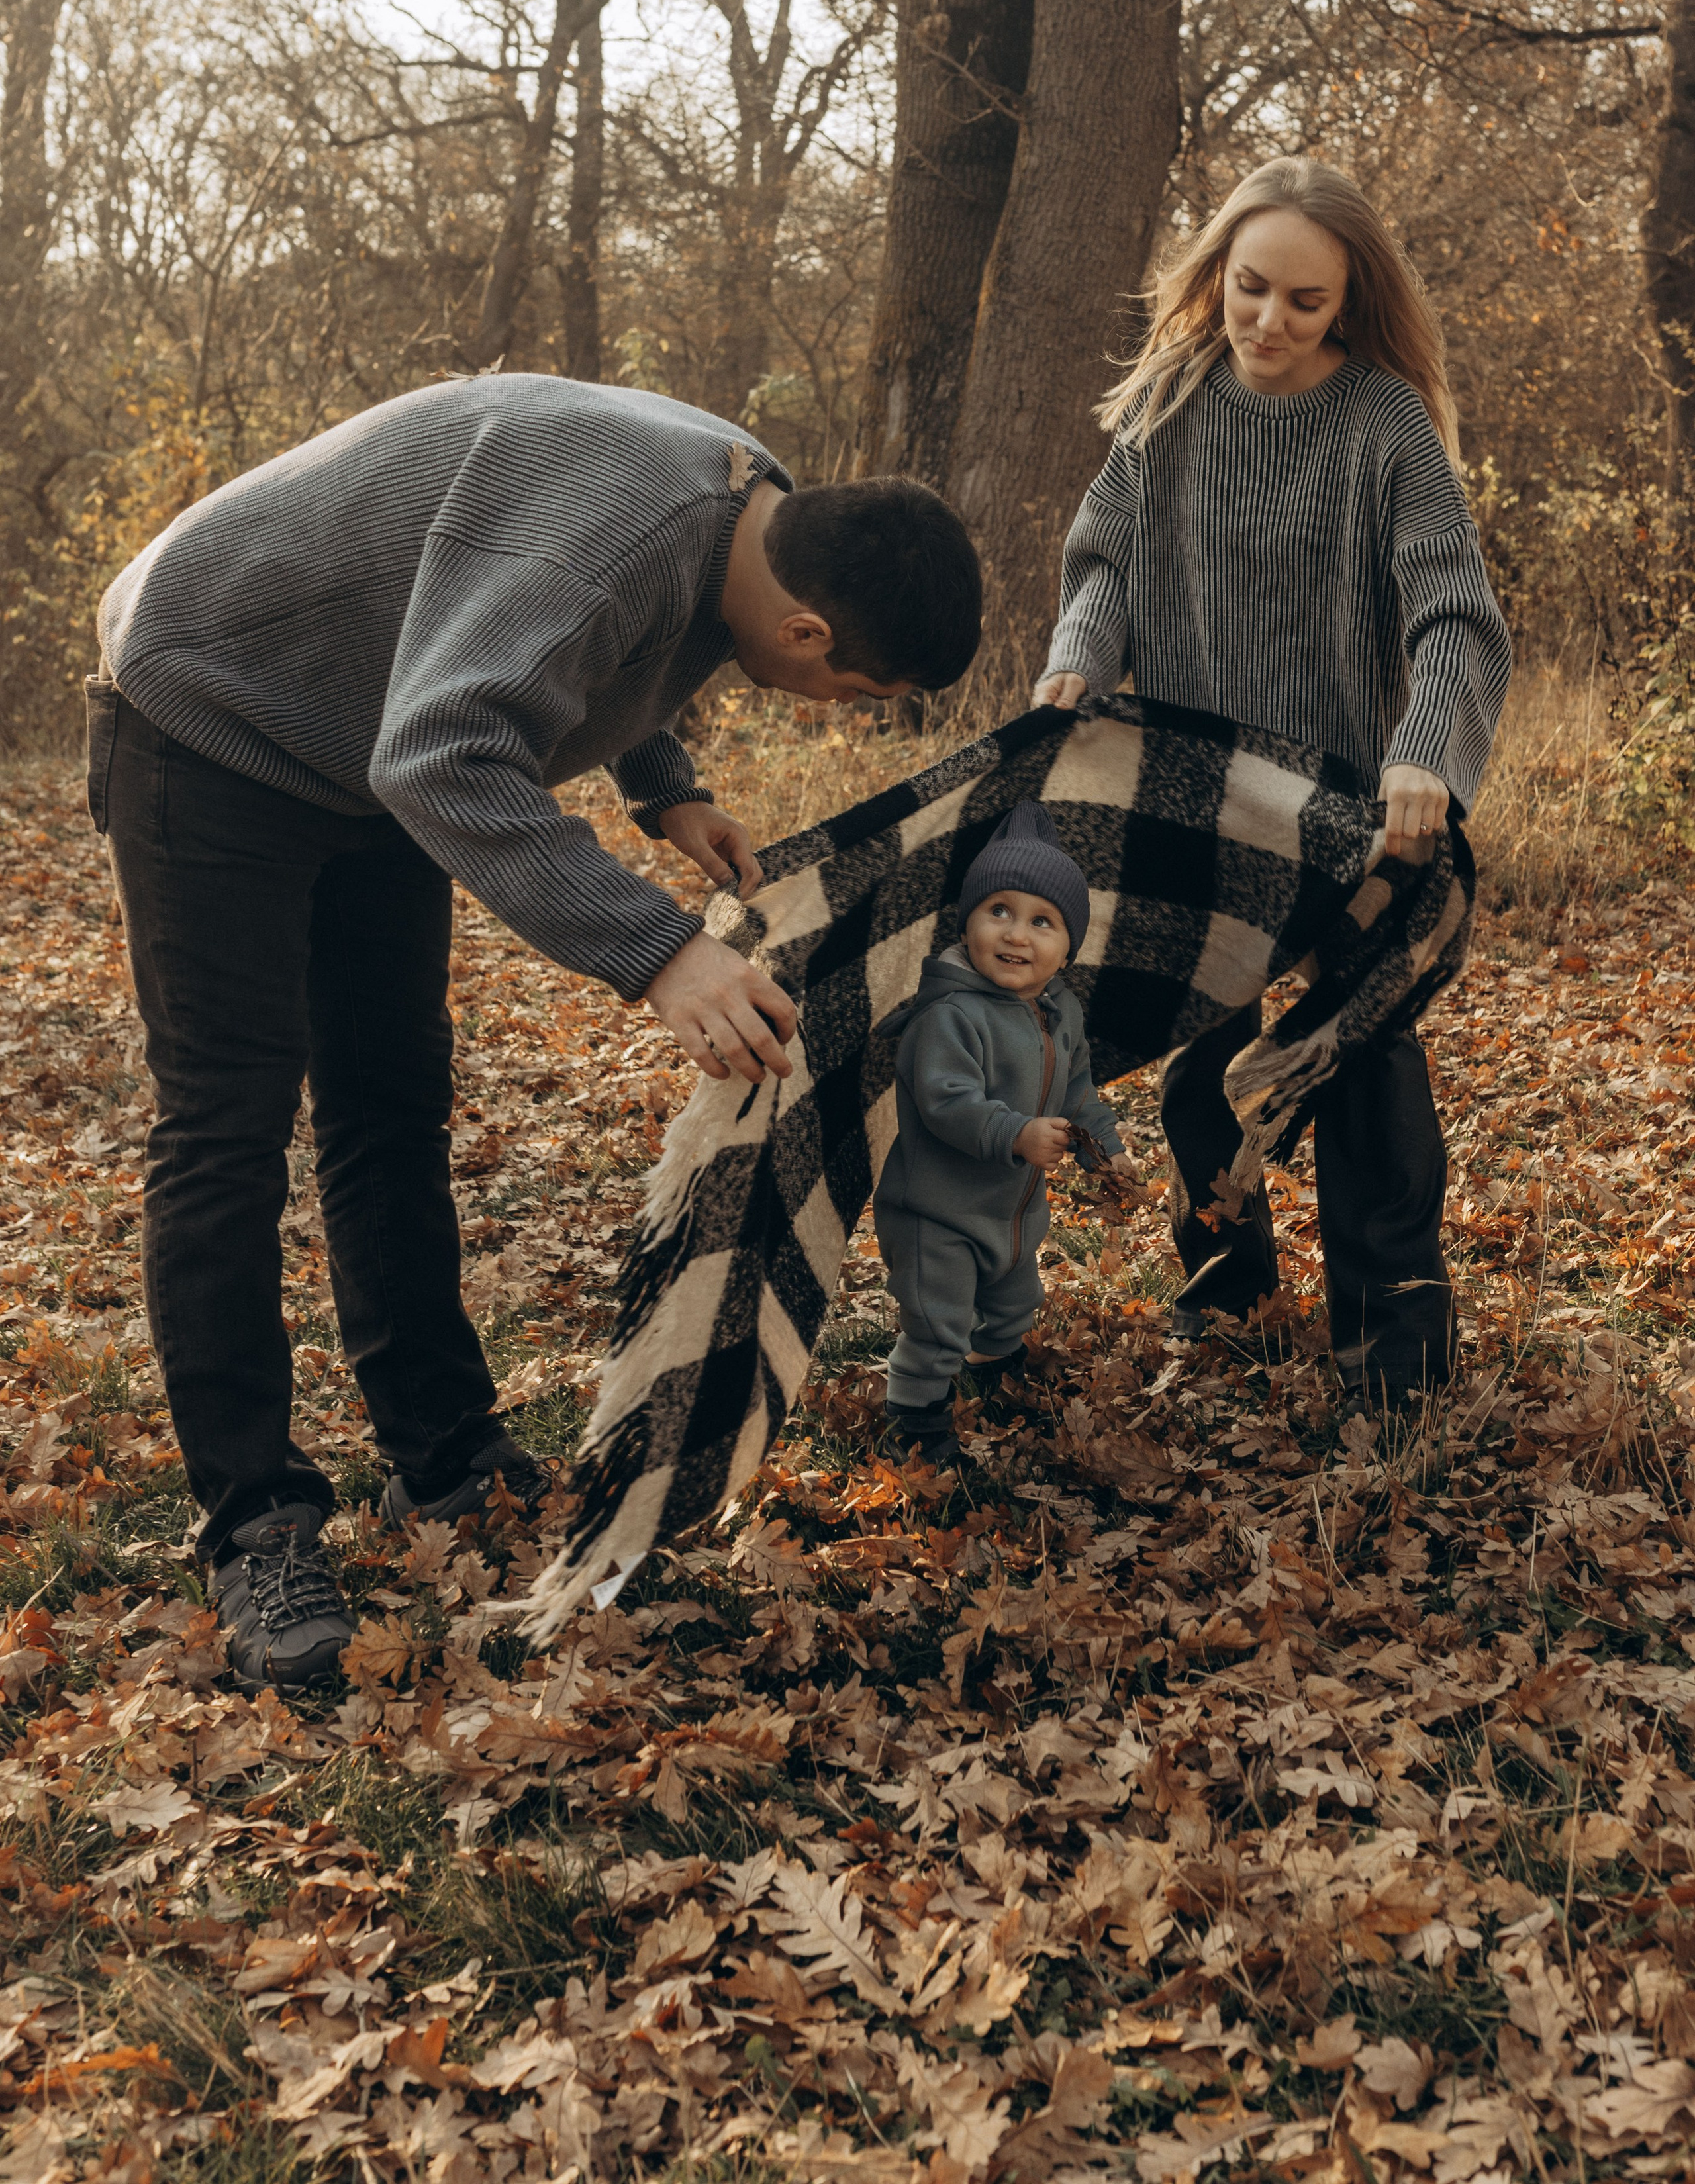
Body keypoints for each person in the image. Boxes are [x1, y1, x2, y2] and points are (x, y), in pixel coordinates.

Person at [89, 373, 983, 1685]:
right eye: (853, 695)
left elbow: (583, 640)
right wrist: (660, 955)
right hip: (211, 703)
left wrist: (663, 785)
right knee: (226, 1127)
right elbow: (447, 746)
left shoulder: (751, 503)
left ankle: (444, 1458)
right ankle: (255, 1525)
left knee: (387, 1106)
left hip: (366, 734)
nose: (836, 712)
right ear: (804, 631)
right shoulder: (627, 523)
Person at [1034, 154, 1512, 1408]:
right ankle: (1227, 1306)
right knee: (1204, 1068)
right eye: (1253, 289)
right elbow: (1102, 569)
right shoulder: (1170, 404)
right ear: (1218, 275)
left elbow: (1453, 615)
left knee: (1367, 1074)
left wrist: (1426, 750)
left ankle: (1396, 1356)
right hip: (1194, 793)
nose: (1271, 322)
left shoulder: (1385, 423)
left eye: (1306, 303)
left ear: (1347, 305)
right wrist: (1076, 665)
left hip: (1353, 812)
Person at [874, 800, 1141, 1465]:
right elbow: (946, 1100)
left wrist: (1107, 1151)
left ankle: (994, 1371)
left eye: (1042, 921)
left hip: (1012, 1212)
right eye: (998, 911)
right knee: (938, 1322)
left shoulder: (1059, 1010)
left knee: (1013, 1301)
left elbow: (1078, 1090)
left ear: (1068, 947)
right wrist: (1016, 1133)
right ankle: (915, 1423)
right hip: (936, 1212)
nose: (1016, 935)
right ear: (966, 921)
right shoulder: (948, 1015)